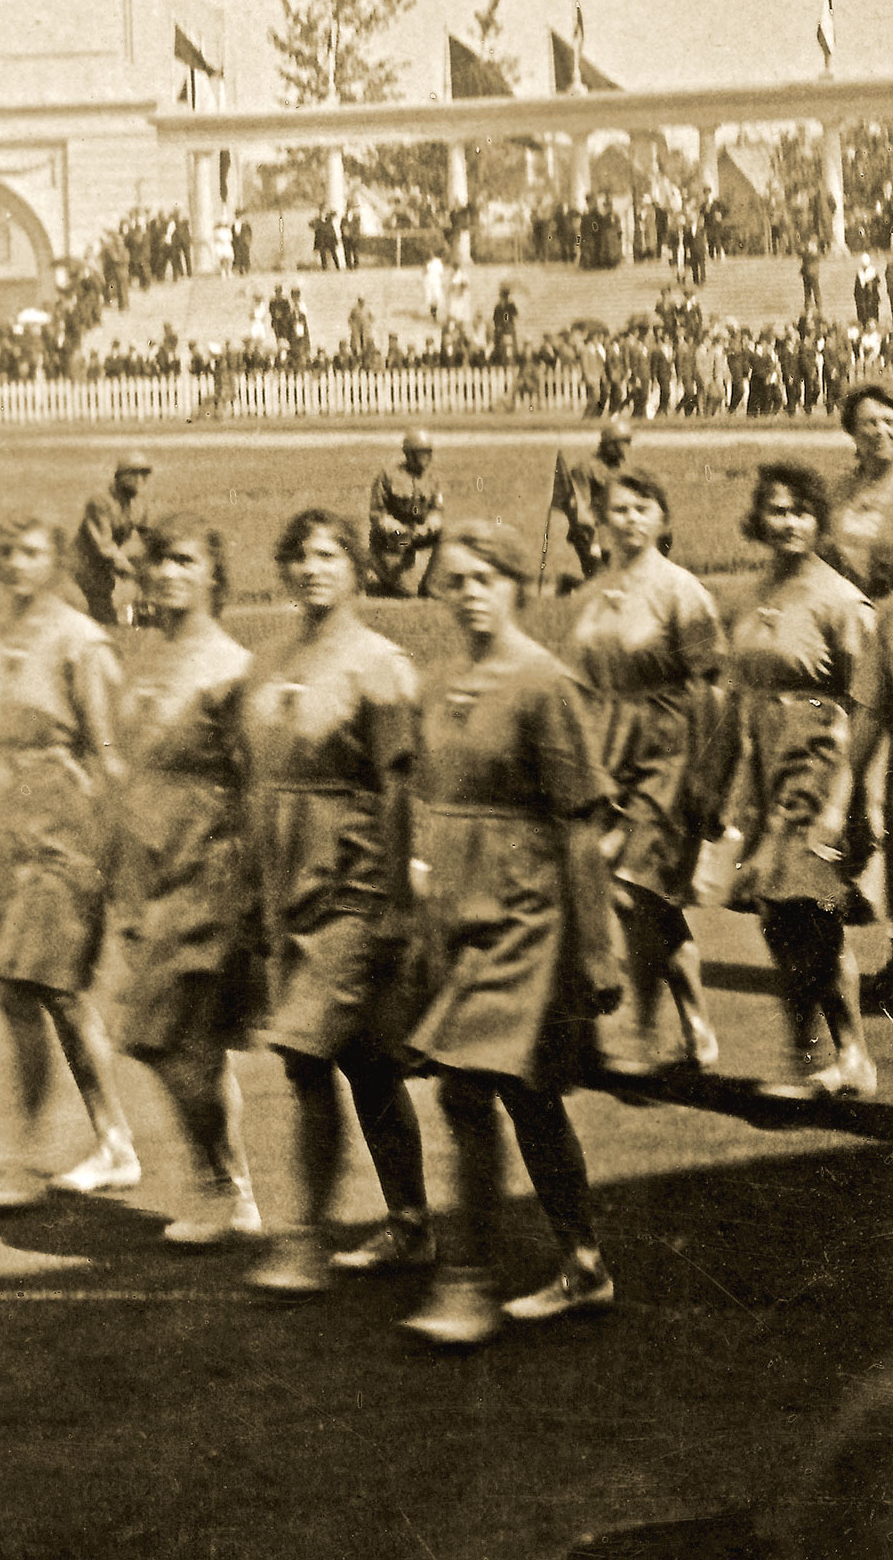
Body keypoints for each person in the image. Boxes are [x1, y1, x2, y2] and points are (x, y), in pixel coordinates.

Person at [400, 522, 623, 1347]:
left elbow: (577, 827)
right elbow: (433, 805)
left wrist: (596, 948)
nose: (467, 593)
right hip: (458, 913)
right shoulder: (437, 682)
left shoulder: (545, 683)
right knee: (527, 1097)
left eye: (483, 576)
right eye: (452, 580)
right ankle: (584, 1263)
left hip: (528, 915)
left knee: (463, 1089)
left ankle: (466, 1284)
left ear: (512, 585)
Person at [243, 510, 430, 1297]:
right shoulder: (273, 658)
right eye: (299, 556)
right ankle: (413, 1224)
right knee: (366, 1061)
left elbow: (399, 787)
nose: (312, 568)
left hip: (353, 882)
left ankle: (305, 1243)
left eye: (328, 556)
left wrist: (393, 898)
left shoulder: (380, 665)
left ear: (355, 569)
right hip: (290, 884)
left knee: (305, 1054)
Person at [0, 516, 138, 1201]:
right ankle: (100, 1139)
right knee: (15, 991)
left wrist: (115, 847)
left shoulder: (79, 641)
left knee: (56, 991)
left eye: (30, 552)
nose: (15, 563)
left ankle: (37, 1156)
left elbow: (109, 749)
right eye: (3, 551)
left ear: (56, 559)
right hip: (5, 826)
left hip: (64, 825)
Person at [112, 517, 263, 1244]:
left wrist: (245, 890)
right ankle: (226, 1189)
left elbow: (254, 783)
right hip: (154, 869)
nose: (166, 574)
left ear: (212, 575)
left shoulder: (230, 667)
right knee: (175, 1041)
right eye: (157, 563)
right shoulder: (153, 657)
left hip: (208, 870)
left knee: (169, 1037)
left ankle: (226, 1192)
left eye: (183, 561)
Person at [567, 469, 731, 1077]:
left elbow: (713, 689)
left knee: (635, 890)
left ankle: (654, 1029)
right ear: (601, 521)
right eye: (617, 510)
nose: (629, 519)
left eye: (641, 508)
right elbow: (577, 684)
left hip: (667, 754)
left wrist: (707, 775)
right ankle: (676, 1027)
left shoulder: (681, 591)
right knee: (625, 895)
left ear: (661, 518)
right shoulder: (594, 590)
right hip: (604, 758)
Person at [723, 463, 877, 1097]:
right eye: (775, 510)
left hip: (818, 756)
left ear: (817, 521)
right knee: (777, 913)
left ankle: (846, 1056)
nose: (785, 522)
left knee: (808, 908)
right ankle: (819, 1055)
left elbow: (869, 698)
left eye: (798, 511)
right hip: (766, 757)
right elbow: (740, 689)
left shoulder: (840, 599)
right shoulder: (758, 591)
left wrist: (847, 792)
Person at [827, 381, 893, 603]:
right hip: (849, 606)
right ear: (853, 432)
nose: (881, 431)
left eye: (889, 421)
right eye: (870, 423)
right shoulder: (840, 490)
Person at [71, 452, 153, 626]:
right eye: (133, 474)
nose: (139, 479)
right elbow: (104, 546)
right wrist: (130, 569)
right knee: (101, 618)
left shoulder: (139, 501)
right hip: (85, 564)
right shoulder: (100, 500)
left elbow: (148, 534)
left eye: (144, 474)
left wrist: (152, 563)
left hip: (106, 565)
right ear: (119, 476)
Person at [552, 416, 632, 582]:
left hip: (612, 531)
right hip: (590, 533)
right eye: (620, 444)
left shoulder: (620, 468)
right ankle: (568, 586)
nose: (624, 449)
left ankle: (570, 585)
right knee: (601, 580)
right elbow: (580, 507)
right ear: (609, 444)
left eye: (626, 443)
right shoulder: (586, 468)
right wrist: (593, 542)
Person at [367, 428, 445, 599]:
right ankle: (380, 568)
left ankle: (432, 581)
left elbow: (437, 511)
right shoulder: (388, 476)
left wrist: (428, 526)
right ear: (409, 454)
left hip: (419, 539)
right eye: (420, 453)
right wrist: (396, 528)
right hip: (395, 542)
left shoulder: (433, 478)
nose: (425, 458)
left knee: (446, 536)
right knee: (408, 591)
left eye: (428, 453)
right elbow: (377, 514)